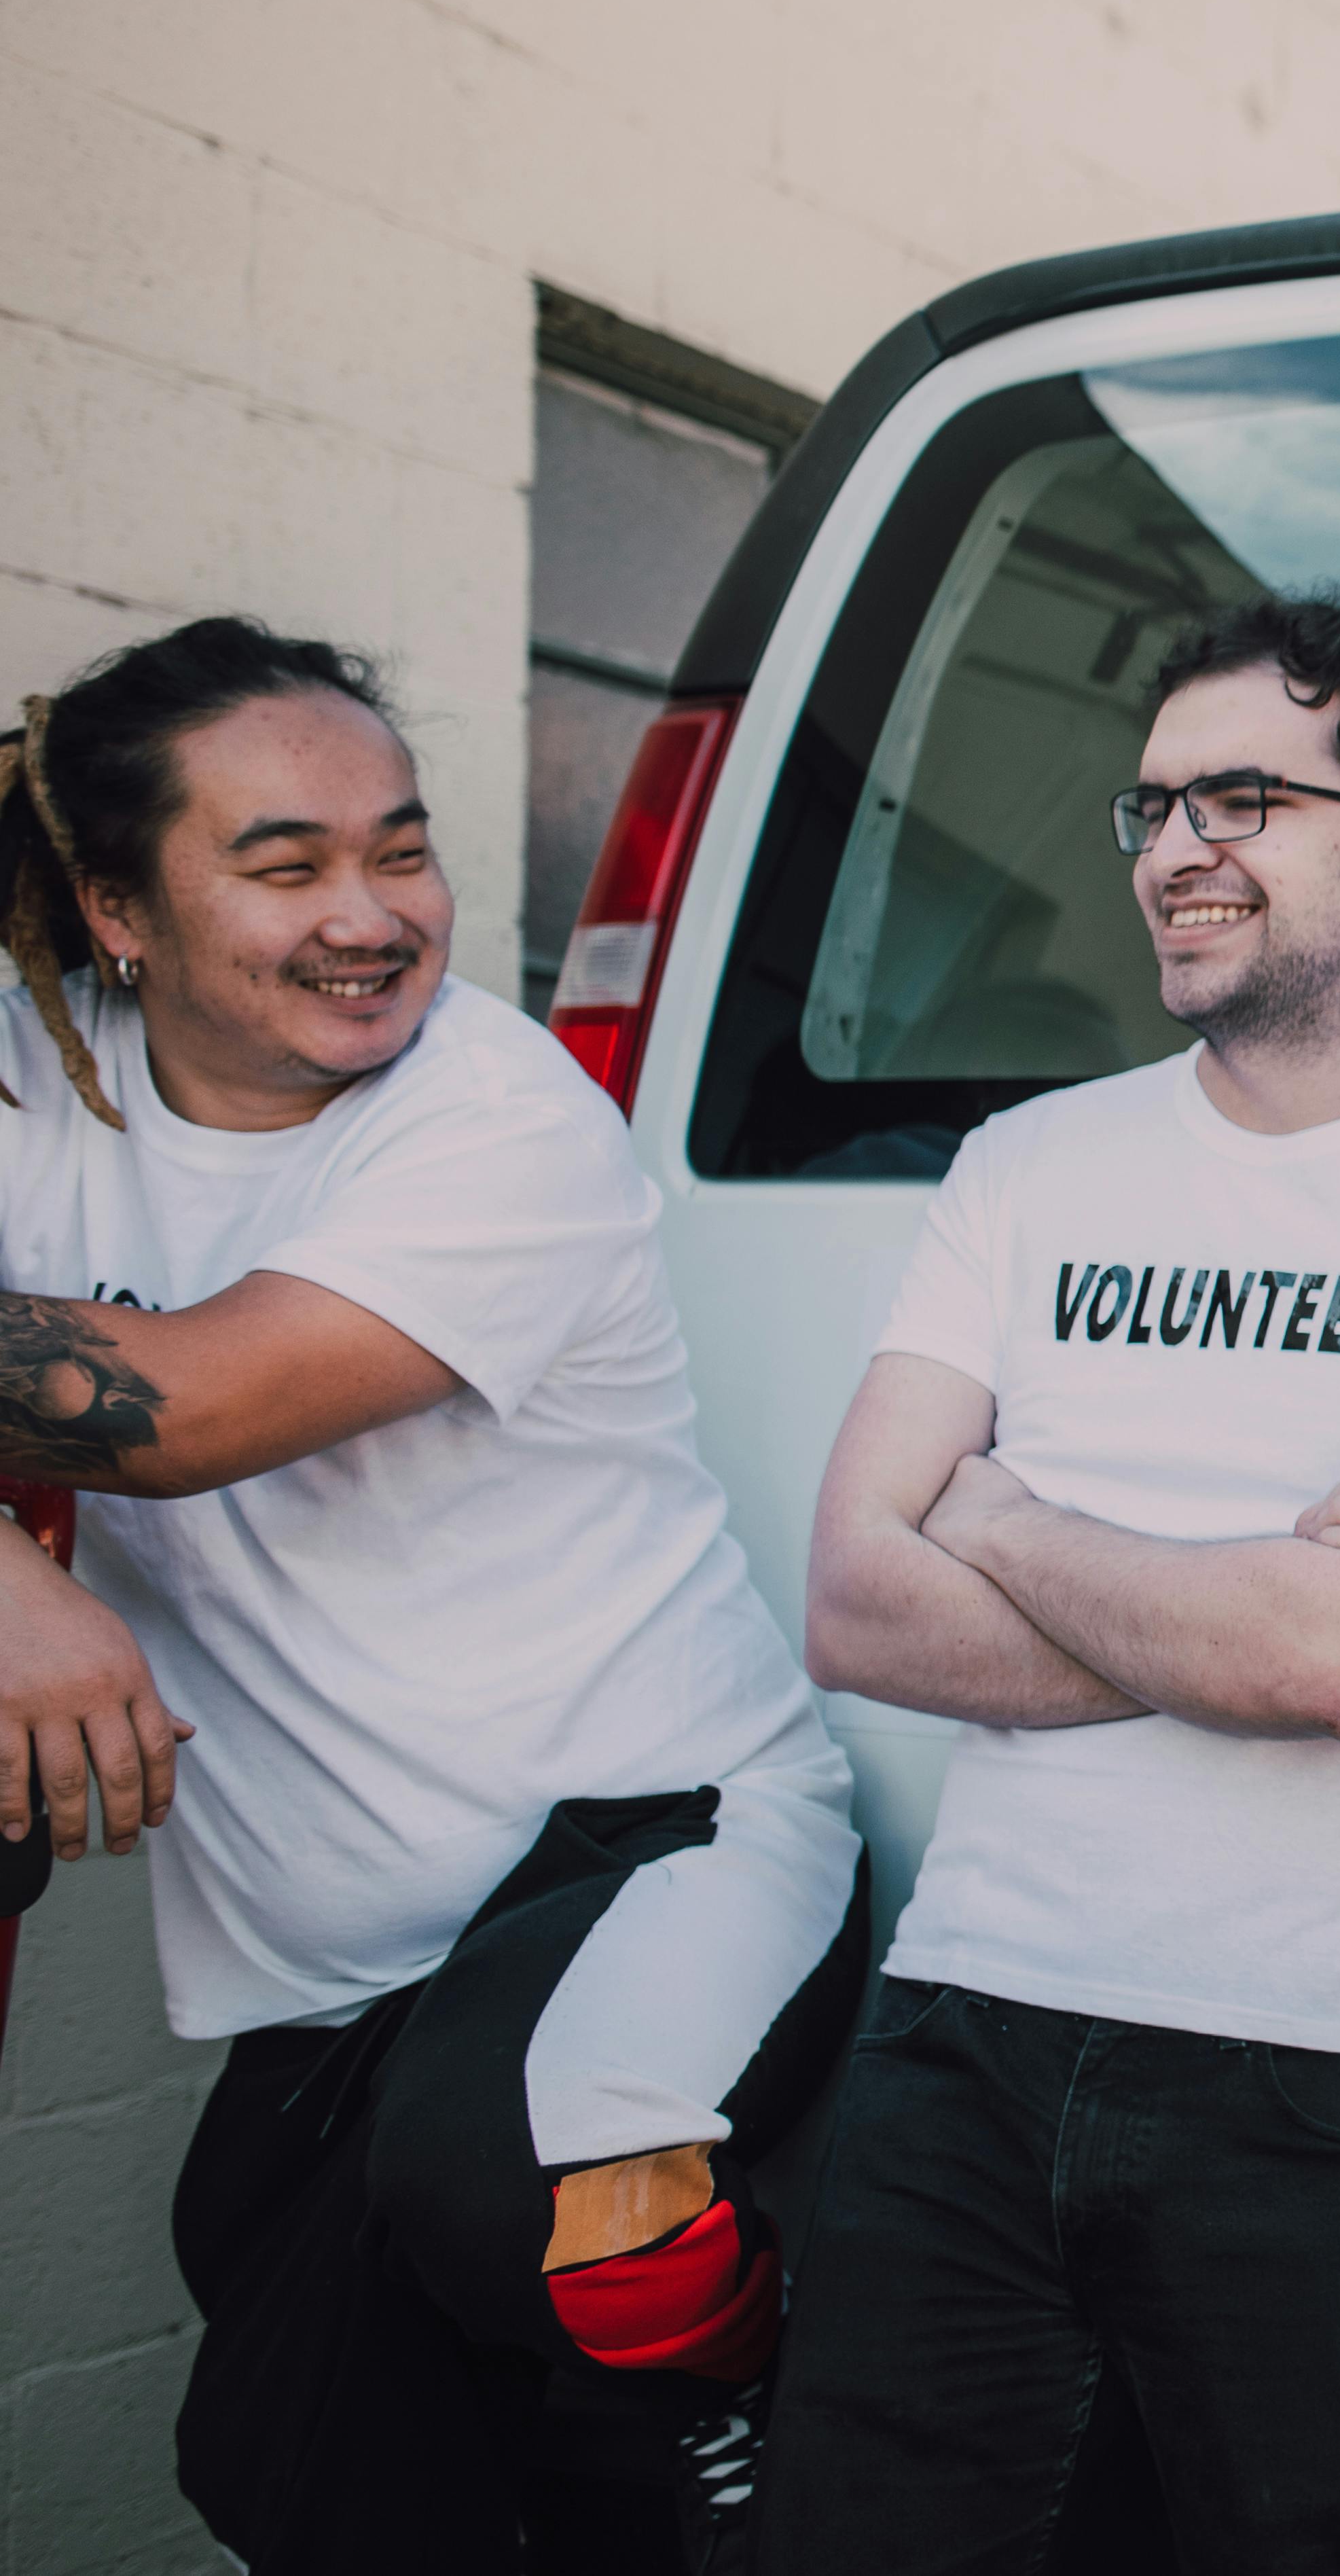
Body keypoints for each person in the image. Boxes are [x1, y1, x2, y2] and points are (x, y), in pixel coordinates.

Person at [761, 592, 1340, 2573]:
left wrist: (994, 1515)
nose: (1176, 846)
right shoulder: (1029, 1168)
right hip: (964, 2046)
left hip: (1338, 2098)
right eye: (1154, 804)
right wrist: (1241, 1596)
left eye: (1244, 798)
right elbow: (847, 1597)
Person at [0, 620, 869, 2575]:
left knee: (531, 2185)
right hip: (337, 1962)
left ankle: (773, 2388)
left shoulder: (494, 1113)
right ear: (118, 908)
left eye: (402, 849)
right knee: (305, 2479)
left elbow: (180, 1405)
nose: (374, 916)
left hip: (658, 1833)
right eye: (287, 862)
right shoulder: (39, 1081)